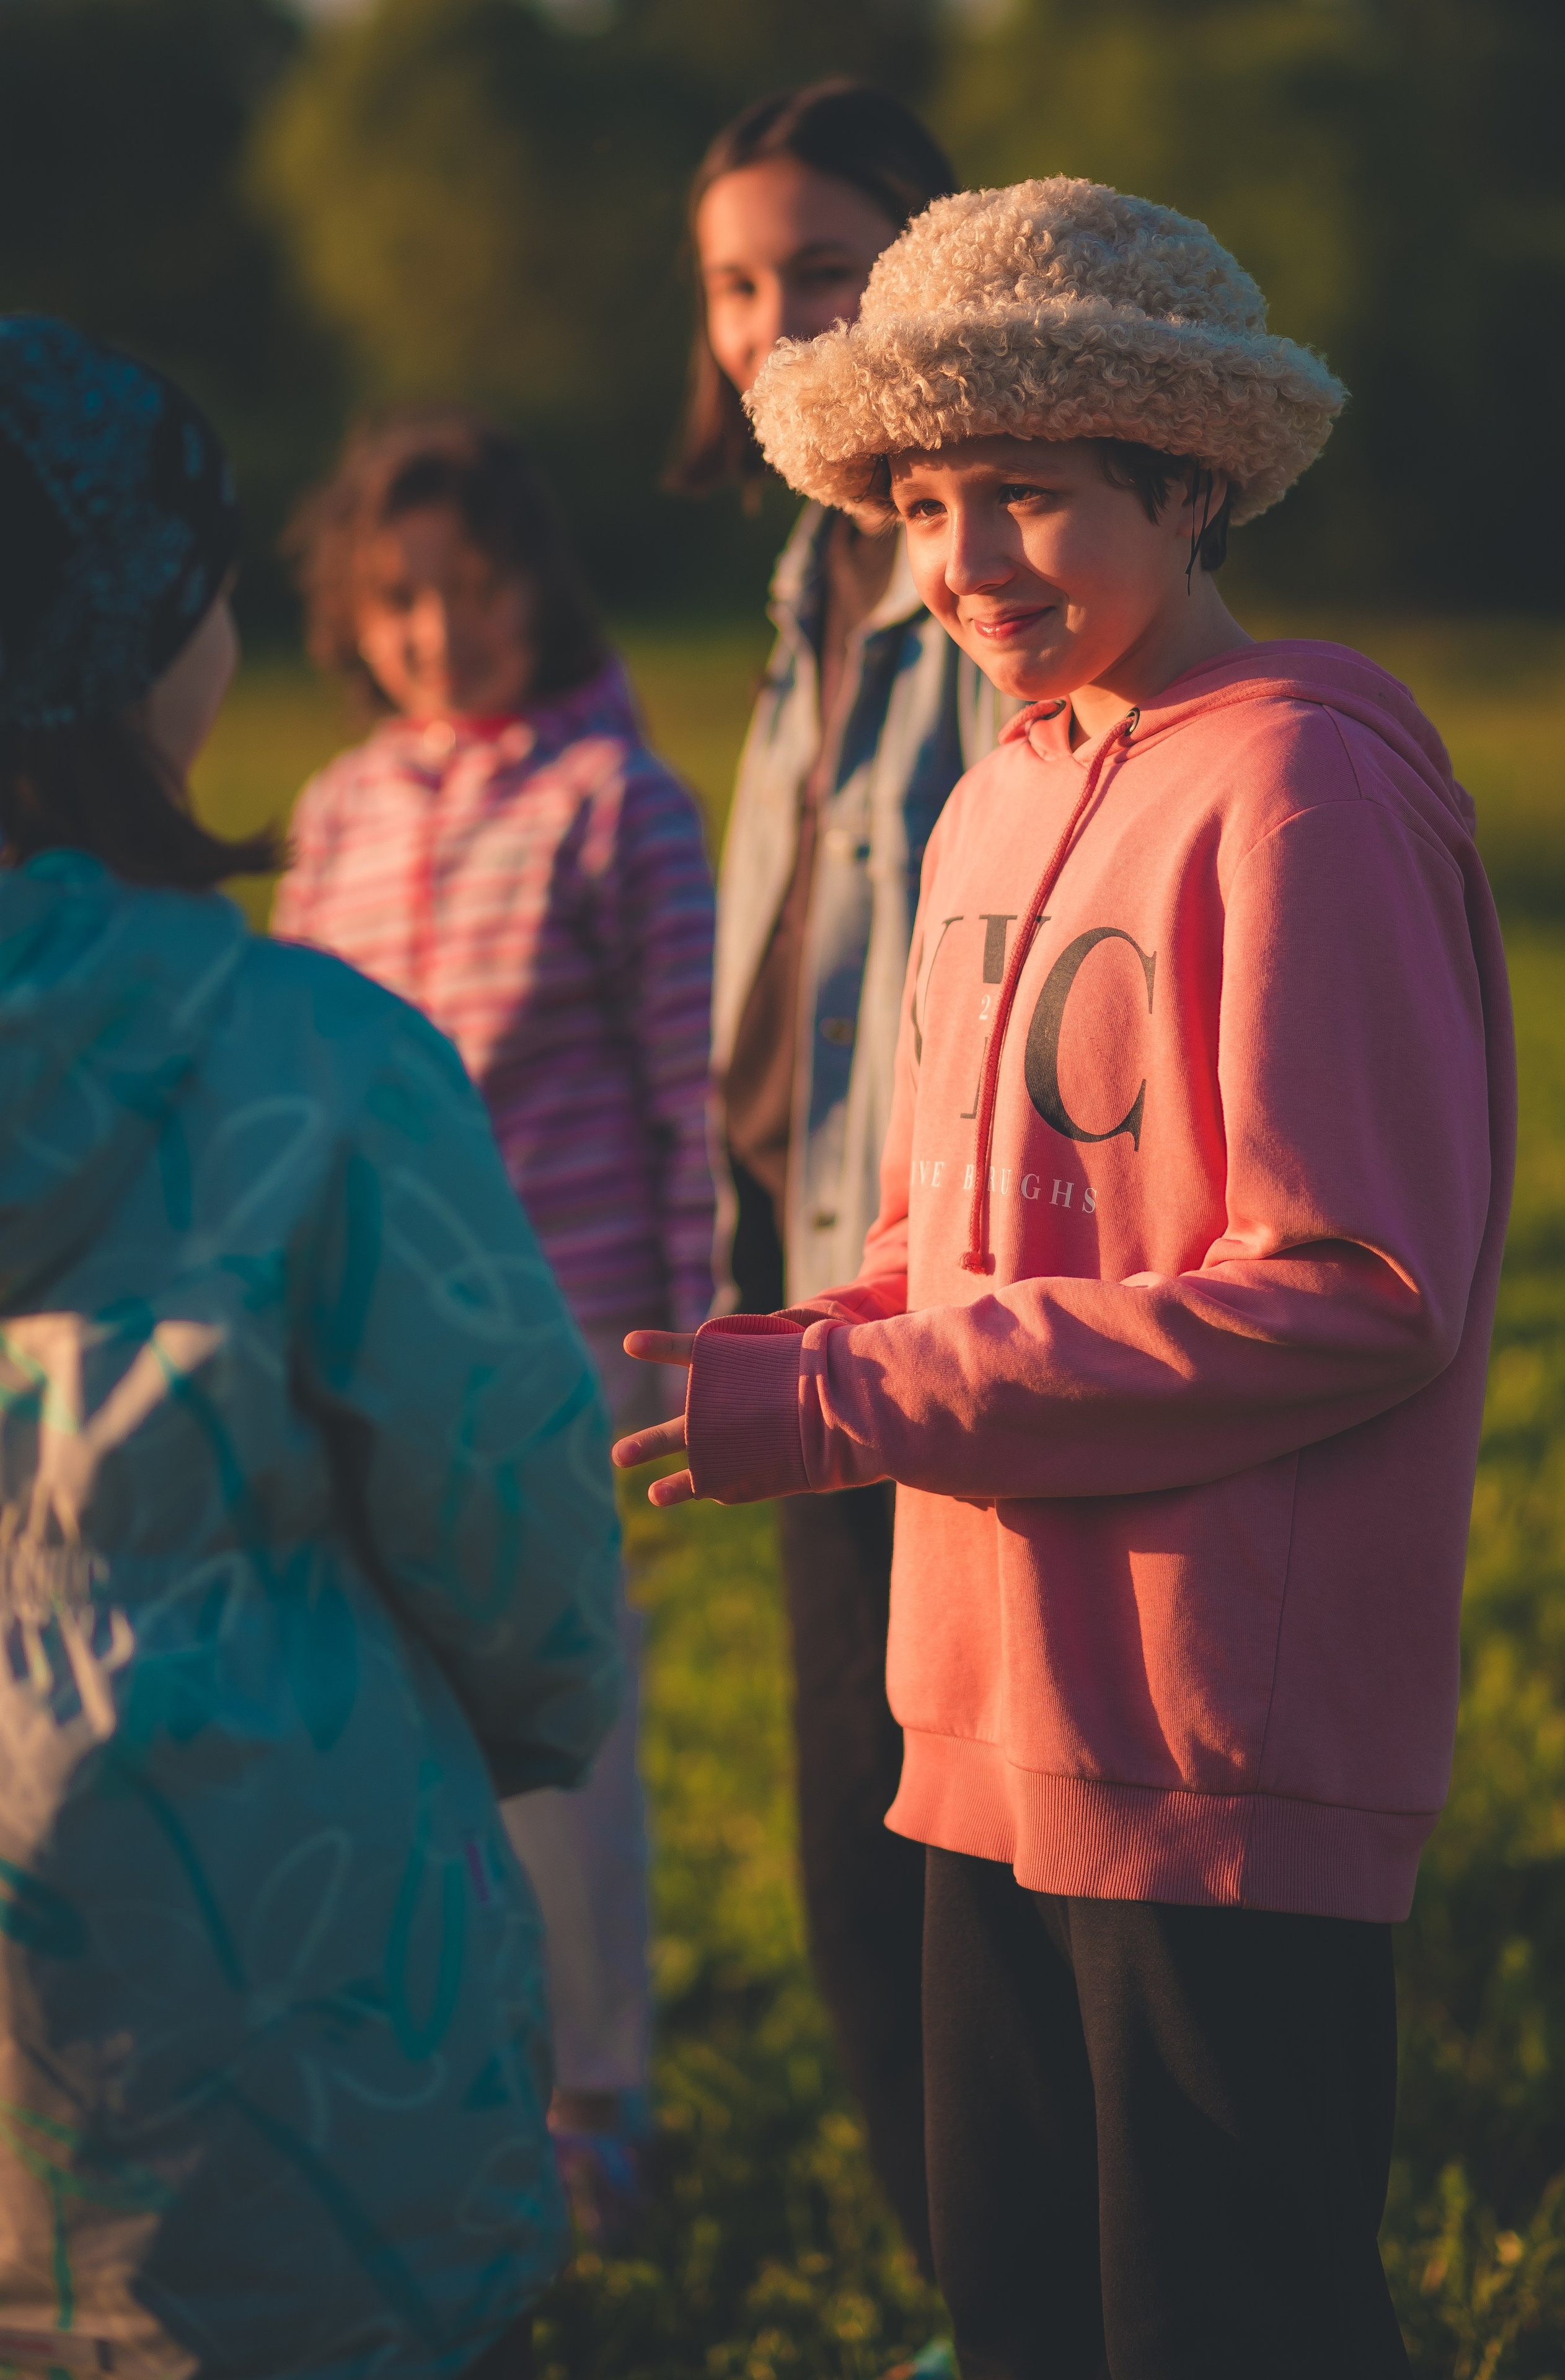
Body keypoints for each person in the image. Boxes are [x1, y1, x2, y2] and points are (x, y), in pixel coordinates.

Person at [619, 177, 1517, 2379]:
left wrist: (850, 1405)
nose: (963, 563)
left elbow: (1356, 1285)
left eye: (1026, 494)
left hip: (1209, 1742)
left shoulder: (1303, 784)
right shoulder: (994, 801)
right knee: (1020, 2296)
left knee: (1220, 2317)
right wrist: (781, 1355)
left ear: (1190, 478)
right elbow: (947, 1256)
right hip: (981, 1717)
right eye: (923, 502)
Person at [0, 315, 622, 2378]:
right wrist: (535, 1727)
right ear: (128, 645)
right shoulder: (312, 1055)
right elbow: (513, 1531)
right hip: (295, 2022)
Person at [272, 408, 714, 2241]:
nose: (438, 633)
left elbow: (690, 1089)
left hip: (566, 1339)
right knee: (379, 1724)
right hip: (361, 1347)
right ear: (350, 617)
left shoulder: (621, 803)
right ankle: (426, 2071)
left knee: (555, 1732)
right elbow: (284, 1080)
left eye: (474, 589)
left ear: (543, 582)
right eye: (398, 600)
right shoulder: (337, 812)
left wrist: (707, 1339)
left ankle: (593, 2096)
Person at [668, 79, 1003, 2275]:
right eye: (731, 279)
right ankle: (983, 2295)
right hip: (807, 1318)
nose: (771, 318)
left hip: (967, 1330)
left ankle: (1051, 2299)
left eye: (824, 267)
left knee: (987, 1906)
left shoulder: (996, 568)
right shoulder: (807, 581)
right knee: (855, 1886)